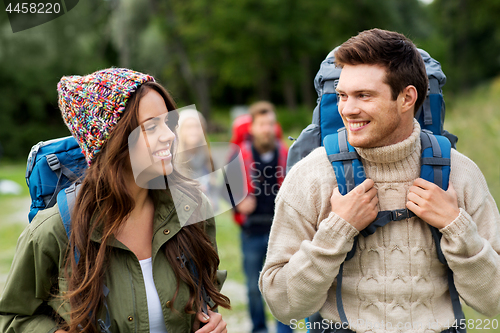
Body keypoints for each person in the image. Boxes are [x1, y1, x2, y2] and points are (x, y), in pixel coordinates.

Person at [259, 29, 500, 333]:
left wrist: (455, 225)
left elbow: (495, 303)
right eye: (342, 96)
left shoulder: (459, 173)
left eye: (364, 96)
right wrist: (337, 231)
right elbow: (283, 306)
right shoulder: (312, 175)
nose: (348, 109)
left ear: (406, 98)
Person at [0, 68, 230, 333]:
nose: (169, 136)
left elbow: (207, 290)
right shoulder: (54, 230)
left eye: (168, 123)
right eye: (151, 127)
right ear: (113, 140)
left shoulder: (192, 207)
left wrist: (211, 320)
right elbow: (11, 317)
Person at [232, 102, 291, 333]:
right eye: (262, 124)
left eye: (270, 123)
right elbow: (227, 189)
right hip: (252, 231)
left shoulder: (286, 152)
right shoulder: (239, 155)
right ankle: (259, 329)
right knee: (253, 287)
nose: (267, 128)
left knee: (283, 284)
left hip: (282, 231)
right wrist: (238, 203)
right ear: (253, 128)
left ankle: (284, 329)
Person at [175, 109, 219, 211]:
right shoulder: (173, 161)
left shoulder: (208, 158)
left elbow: (214, 189)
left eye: (197, 126)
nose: (194, 131)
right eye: (189, 127)